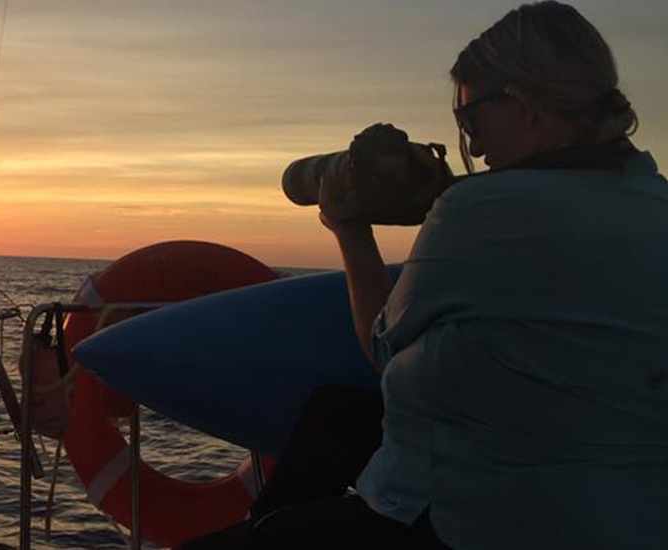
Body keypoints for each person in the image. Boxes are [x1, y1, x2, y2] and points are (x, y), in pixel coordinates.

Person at [179, 2, 668, 549]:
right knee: (338, 414)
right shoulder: (654, 202)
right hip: (624, 512)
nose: (475, 147)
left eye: (471, 119)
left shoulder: (480, 211)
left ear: (523, 105)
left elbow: (380, 347)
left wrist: (350, 230)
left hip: (472, 519)